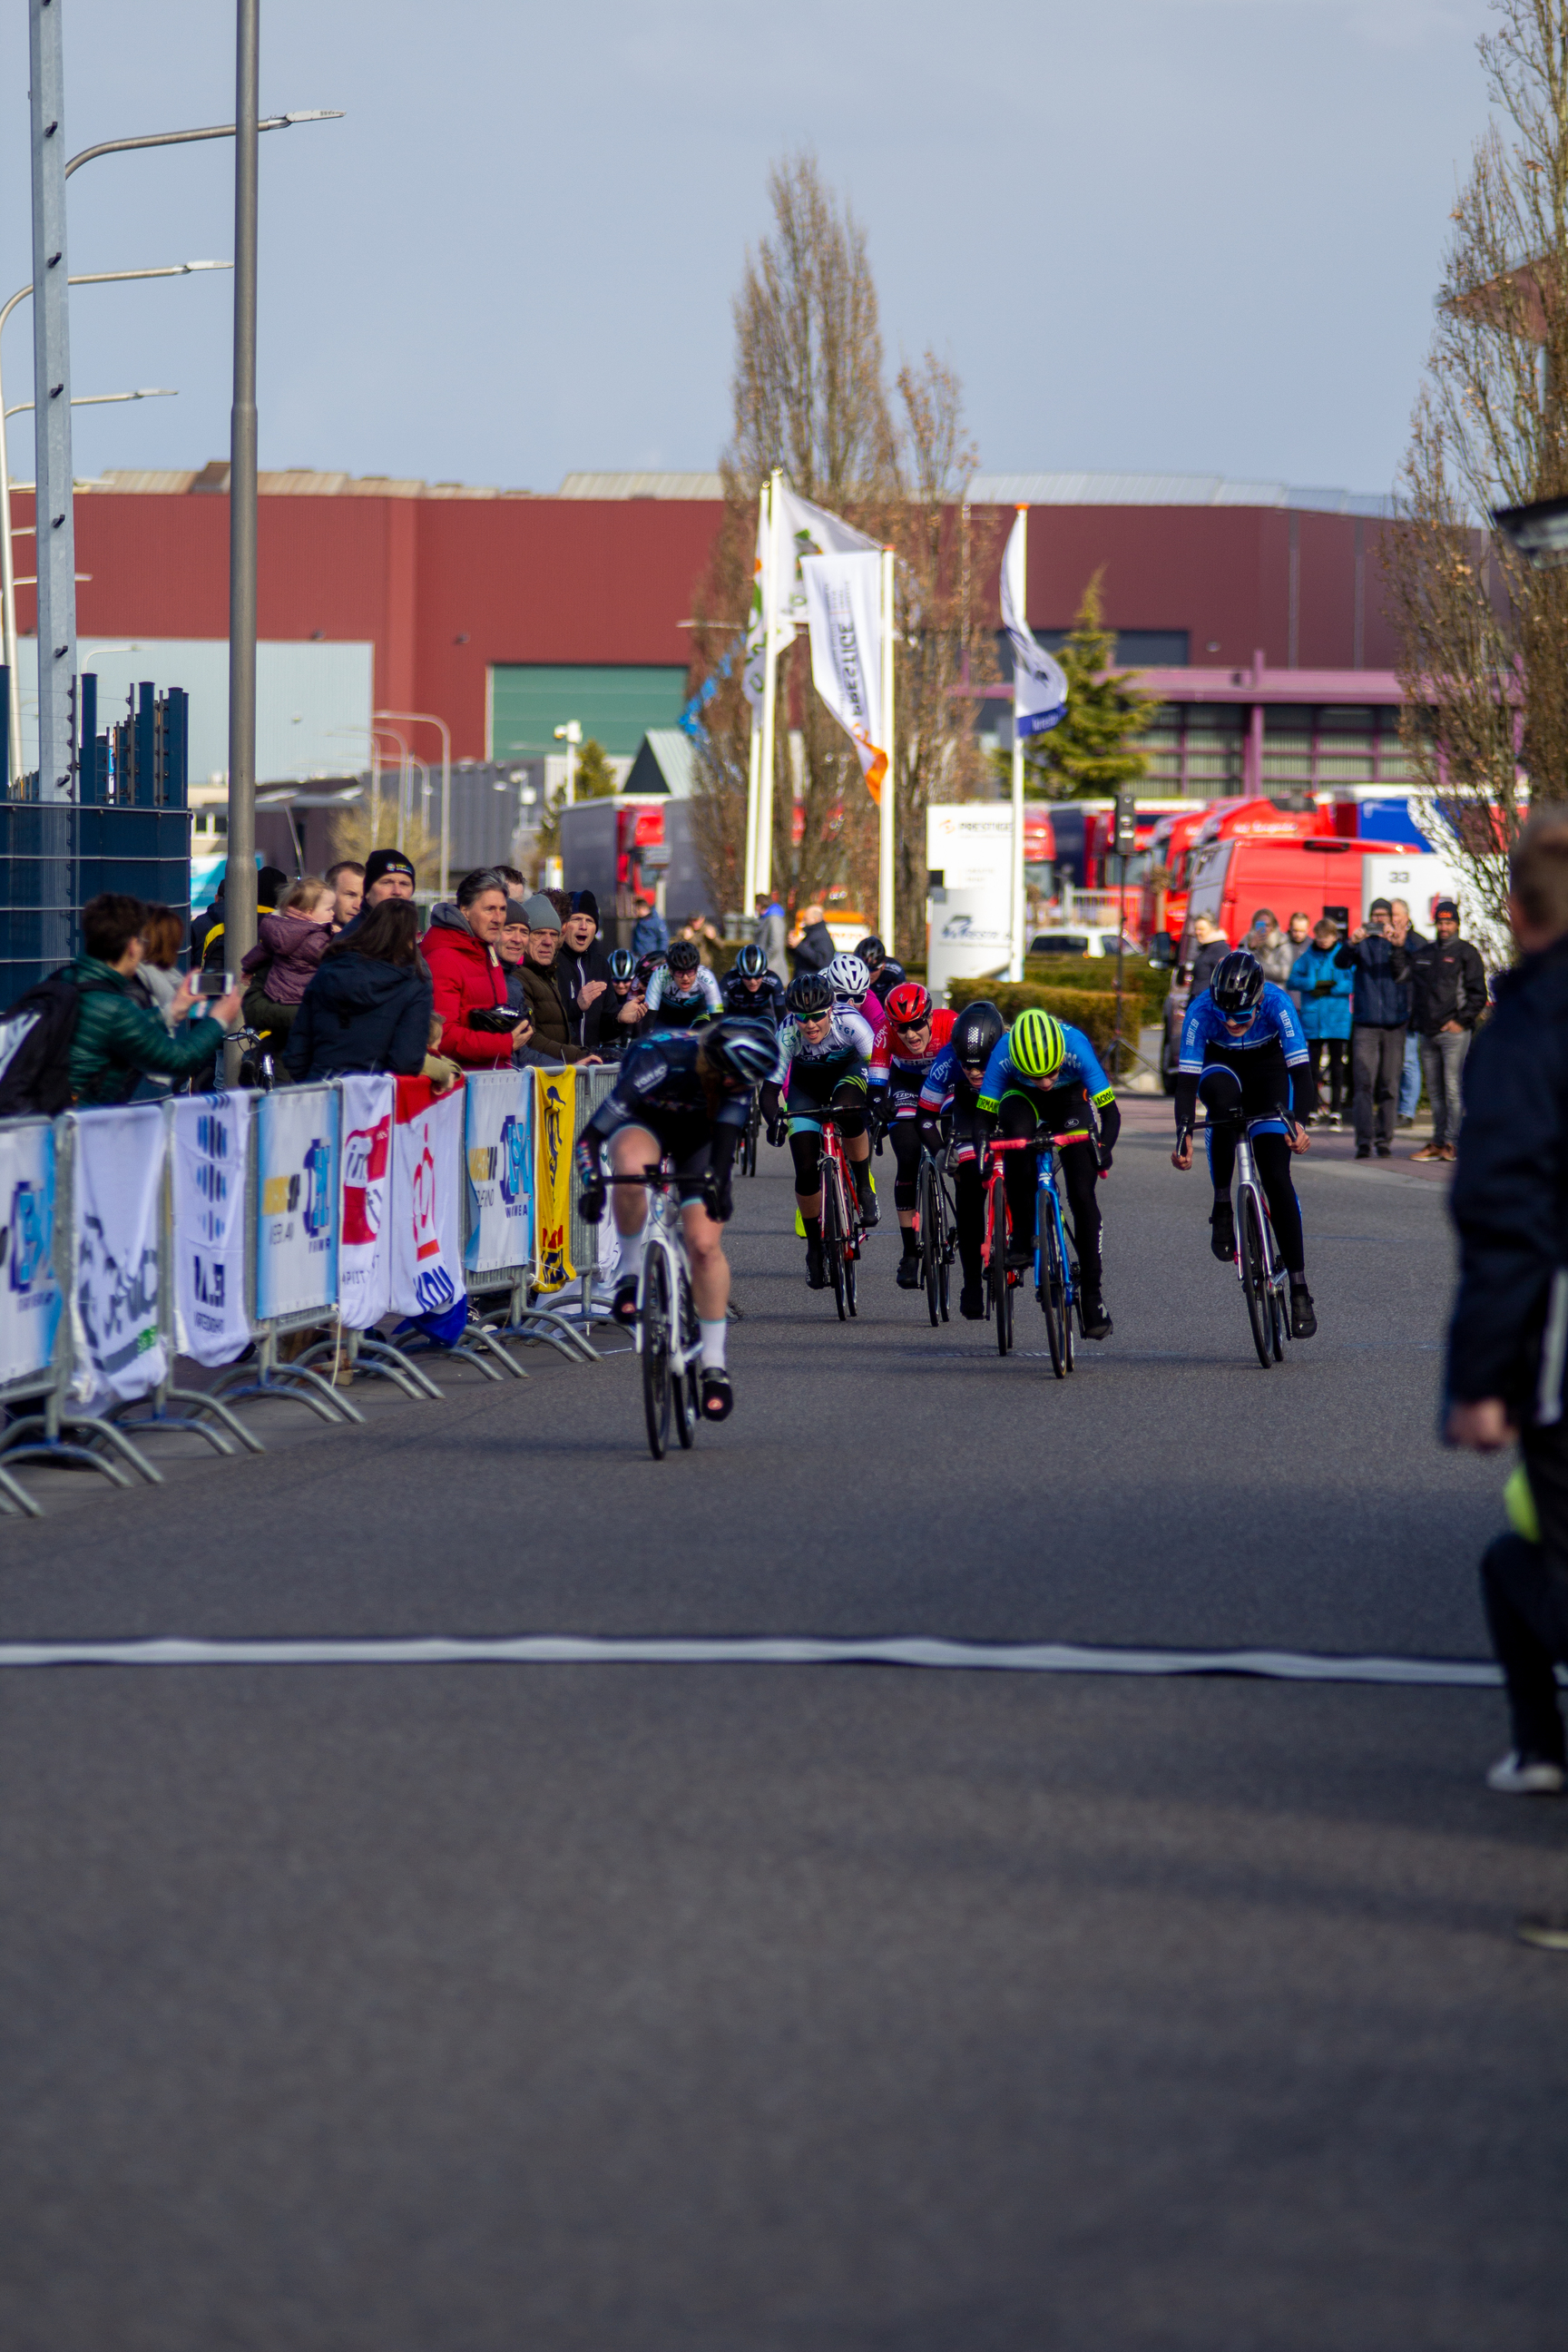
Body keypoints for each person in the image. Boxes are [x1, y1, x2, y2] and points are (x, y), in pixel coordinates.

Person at [1443, 813, 1568, 1801]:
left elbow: (1507, 1217)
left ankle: (1541, 1747)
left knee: (1526, 1560)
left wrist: (1482, 1382)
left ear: (1519, 913)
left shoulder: (1527, 1028)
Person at [574, 1017, 777, 1419]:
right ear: (714, 1065)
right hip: (645, 1123)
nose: (739, 1090)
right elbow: (591, 1138)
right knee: (630, 1173)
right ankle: (631, 1272)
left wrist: (720, 1190)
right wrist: (593, 1184)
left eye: (746, 1084)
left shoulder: (738, 1081)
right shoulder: (660, 1060)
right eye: (732, 1082)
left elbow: (721, 1160)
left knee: (703, 1244)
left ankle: (715, 1364)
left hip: (698, 1135)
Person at [1171, 947, 1318, 1337]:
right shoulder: (1202, 1010)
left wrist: (1299, 1124)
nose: (1232, 1022)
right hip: (1221, 1070)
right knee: (1222, 1108)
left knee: (1276, 1175)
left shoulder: (1277, 1003)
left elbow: (1302, 1075)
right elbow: (1186, 1082)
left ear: (1257, 1001)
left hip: (1268, 1073)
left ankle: (1300, 1286)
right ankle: (1223, 1203)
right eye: (1225, 1015)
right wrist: (1184, 1132)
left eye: (1241, 1015)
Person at [974, 1006, 1120, 1341]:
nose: (1044, 1082)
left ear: (1061, 1057)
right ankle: (1023, 1235)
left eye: (1051, 1072)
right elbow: (984, 1117)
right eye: (1035, 1075)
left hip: (1070, 1102)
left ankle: (1093, 1295)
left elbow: (1110, 1114)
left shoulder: (1077, 1046)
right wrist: (983, 1153)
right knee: (1016, 1140)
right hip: (1018, 1098)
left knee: (1082, 1194)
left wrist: (1104, 1149)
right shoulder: (1004, 1053)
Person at [760, 970, 878, 1287]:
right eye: (802, 1017)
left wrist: (880, 1105)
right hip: (805, 1087)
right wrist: (775, 1123)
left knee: (849, 1112)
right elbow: (769, 1092)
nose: (810, 1025)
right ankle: (814, 1246)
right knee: (805, 1168)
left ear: (830, 1010)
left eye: (816, 1016)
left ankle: (863, 1185)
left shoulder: (850, 1021)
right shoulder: (786, 1034)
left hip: (848, 1073)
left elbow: (878, 1067)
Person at [68, 894, 241, 1104]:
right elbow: (178, 1059)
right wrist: (218, 1019)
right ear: (133, 946)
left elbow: (120, 1032)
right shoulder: (116, 1005)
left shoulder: (66, 979)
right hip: (78, 1124)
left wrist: (171, 1011)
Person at [917, 998, 1007, 1318]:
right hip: (967, 1113)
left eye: (981, 1065)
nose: (973, 1071)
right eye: (967, 1065)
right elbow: (925, 1117)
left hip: (1008, 1106)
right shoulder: (947, 1061)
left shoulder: (1012, 1052)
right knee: (969, 1183)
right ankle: (971, 1282)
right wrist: (941, 1151)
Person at [868, 981, 956, 1289]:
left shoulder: (951, 1023)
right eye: (902, 1028)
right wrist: (878, 1105)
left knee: (959, 1148)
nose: (910, 1034)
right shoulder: (885, 1033)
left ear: (931, 1017)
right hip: (906, 1086)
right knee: (907, 1157)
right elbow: (877, 1085)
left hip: (945, 1084)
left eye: (917, 1024)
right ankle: (909, 1252)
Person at [287, 898, 434, 1081]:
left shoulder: (329, 968)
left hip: (319, 1087)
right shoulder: (414, 982)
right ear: (409, 936)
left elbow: (296, 1052)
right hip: (374, 1097)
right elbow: (406, 1060)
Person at [1398, 897, 1486, 1163]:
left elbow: (1478, 994)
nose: (1444, 926)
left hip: (1454, 1033)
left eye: (1449, 922)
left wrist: (1462, 1021)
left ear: (1457, 924)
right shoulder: (1425, 952)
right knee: (1436, 1092)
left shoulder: (1466, 952)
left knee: (1452, 1088)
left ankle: (1453, 1142)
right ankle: (1438, 1142)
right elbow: (1401, 974)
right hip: (1428, 1031)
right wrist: (1398, 946)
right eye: (1440, 921)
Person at [421, 867, 534, 1069]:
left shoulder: (486, 951)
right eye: (489, 909)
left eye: (503, 909)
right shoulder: (443, 958)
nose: (498, 918)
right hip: (460, 1088)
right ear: (465, 910)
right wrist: (505, 1043)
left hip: (492, 1081)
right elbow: (442, 1035)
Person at [240, 876, 336, 1054]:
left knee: (282, 1038)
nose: (333, 914)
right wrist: (337, 937)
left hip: (277, 992)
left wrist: (248, 967)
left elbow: (262, 950)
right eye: (329, 909)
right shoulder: (314, 938)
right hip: (301, 995)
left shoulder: (280, 931)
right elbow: (331, 957)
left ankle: (258, 1057)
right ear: (309, 912)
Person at [516, 891, 600, 1063]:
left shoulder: (547, 976)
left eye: (553, 934)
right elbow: (529, 1039)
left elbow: (556, 1037)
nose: (548, 941)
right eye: (539, 933)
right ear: (524, 937)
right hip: (536, 1079)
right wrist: (578, 1056)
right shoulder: (519, 977)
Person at [1289, 916, 1354, 1125]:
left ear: (1335, 937)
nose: (1324, 941)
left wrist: (1332, 987)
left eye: (1327, 937)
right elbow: (1292, 979)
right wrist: (1312, 983)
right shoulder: (1308, 956)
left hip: (1337, 1020)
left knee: (1337, 1068)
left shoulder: (1343, 955)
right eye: (1320, 937)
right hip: (1314, 1020)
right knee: (1312, 1068)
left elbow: (1353, 982)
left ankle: (1336, 1110)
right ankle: (1313, 1108)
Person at [195, 864, 289, 970]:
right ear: (284, 897)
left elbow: (203, 973)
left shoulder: (217, 931)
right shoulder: (289, 931)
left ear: (250, 891)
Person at [556, 889, 613, 1047]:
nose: (583, 926)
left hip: (591, 1065)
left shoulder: (601, 965)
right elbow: (545, 1023)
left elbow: (605, 1032)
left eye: (589, 921)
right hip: (558, 1066)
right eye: (576, 919)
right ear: (564, 925)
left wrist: (621, 1019)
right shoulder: (551, 962)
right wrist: (576, 1006)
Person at [1389, 898, 1428, 1124]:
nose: (1394, 919)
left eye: (1397, 914)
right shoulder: (1385, 939)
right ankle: (1394, 1110)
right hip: (1389, 1012)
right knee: (1393, 1064)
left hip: (1410, 1009)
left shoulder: (1418, 942)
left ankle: (1407, 1112)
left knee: (1409, 1062)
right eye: (1391, 914)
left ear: (1407, 916)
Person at [644, 938, 722, 1027]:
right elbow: (649, 1016)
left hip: (696, 1018)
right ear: (670, 970)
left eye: (690, 972)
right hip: (666, 1018)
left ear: (697, 969)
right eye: (679, 972)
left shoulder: (707, 976)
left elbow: (717, 1017)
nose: (685, 978)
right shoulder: (659, 975)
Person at [720, 940, 788, 1027]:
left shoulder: (773, 980)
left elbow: (781, 1015)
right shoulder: (729, 979)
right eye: (747, 977)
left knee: (767, 1027)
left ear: (764, 973)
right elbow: (718, 1014)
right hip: (734, 1012)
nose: (753, 982)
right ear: (739, 974)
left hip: (761, 1012)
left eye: (757, 976)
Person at [600, 946, 650, 1059]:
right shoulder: (602, 997)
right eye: (616, 980)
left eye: (626, 980)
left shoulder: (641, 995)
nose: (621, 985)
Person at [825, 950, 884, 1032]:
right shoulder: (819, 997)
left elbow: (883, 1039)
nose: (850, 1006)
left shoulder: (870, 1001)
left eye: (857, 999)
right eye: (842, 998)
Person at [1245, 907, 1293, 985]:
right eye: (1260, 924)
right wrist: (1251, 948)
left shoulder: (1282, 942)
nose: (1264, 928)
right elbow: (1240, 965)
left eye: (1268, 925)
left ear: (1273, 926)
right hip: (1252, 990)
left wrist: (1257, 966)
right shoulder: (1246, 941)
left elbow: (1284, 973)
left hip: (1275, 991)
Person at [789, 902, 836, 976]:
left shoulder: (822, 937)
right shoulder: (810, 934)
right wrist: (791, 946)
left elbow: (822, 961)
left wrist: (799, 945)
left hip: (813, 983)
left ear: (816, 919)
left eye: (806, 918)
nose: (803, 921)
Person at [856, 935, 908, 1000]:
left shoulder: (895, 970)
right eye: (863, 969)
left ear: (883, 965)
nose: (868, 974)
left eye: (873, 969)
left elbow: (902, 996)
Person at [1187, 913, 1229, 994]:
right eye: (1196, 929)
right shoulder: (1205, 948)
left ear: (1213, 929)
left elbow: (1223, 979)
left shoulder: (1220, 948)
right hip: (1199, 999)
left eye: (1201, 929)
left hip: (1207, 1001)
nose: (1197, 932)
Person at [754, 890, 789, 984]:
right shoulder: (767, 919)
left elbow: (776, 945)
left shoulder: (774, 919)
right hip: (767, 970)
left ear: (758, 906)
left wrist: (762, 961)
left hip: (773, 970)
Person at [326, 860, 364, 930]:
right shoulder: (309, 937)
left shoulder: (376, 937)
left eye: (363, 898)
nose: (358, 906)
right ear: (329, 894)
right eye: (350, 895)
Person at [630, 893, 668, 958]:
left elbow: (664, 939)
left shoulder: (656, 921)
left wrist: (658, 956)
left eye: (638, 907)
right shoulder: (638, 922)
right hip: (638, 958)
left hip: (651, 958)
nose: (635, 910)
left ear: (644, 908)